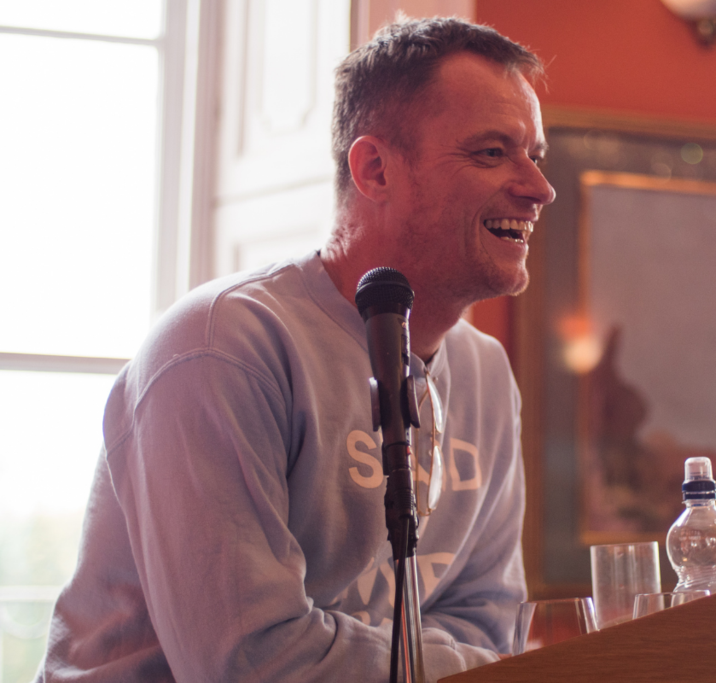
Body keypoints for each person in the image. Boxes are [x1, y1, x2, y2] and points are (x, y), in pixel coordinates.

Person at [36, 17, 556, 683]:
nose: (538, 188)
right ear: (374, 168)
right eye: (491, 153)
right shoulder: (218, 347)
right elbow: (250, 661)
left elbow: (490, 626)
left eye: (533, 156)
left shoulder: (485, 374)